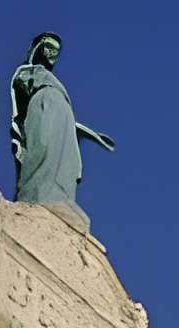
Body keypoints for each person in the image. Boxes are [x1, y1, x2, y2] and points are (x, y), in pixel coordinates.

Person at [10, 34, 115, 219]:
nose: (52, 53)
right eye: (48, 47)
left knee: (67, 159)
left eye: (56, 51)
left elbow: (70, 123)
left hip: (62, 114)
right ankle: (36, 196)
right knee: (43, 149)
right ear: (38, 48)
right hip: (42, 108)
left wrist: (92, 135)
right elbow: (17, 107)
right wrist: (17, 130)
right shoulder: (27, 72)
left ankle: (60, 199)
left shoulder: (55, 86)